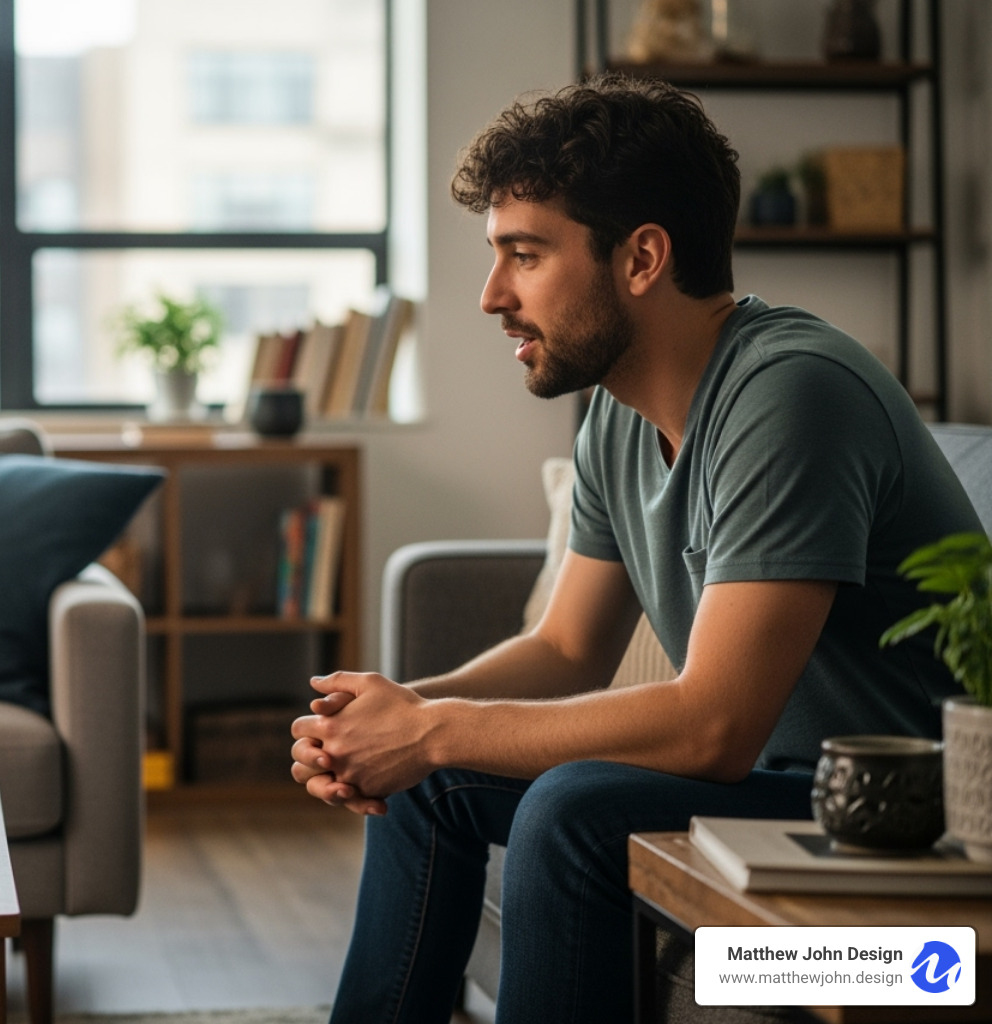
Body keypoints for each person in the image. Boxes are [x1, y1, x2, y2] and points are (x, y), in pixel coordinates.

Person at [290, 73, 980, 1024]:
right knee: (432, 783)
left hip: (900, 819)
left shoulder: (792, 394)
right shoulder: (617, 418)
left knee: (568, 808)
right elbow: (567, 650)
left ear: (643, 258)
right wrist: (398, 719)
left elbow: (714, 726)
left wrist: (431, 729)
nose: (493, 296)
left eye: (524, 255)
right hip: (780, 789)